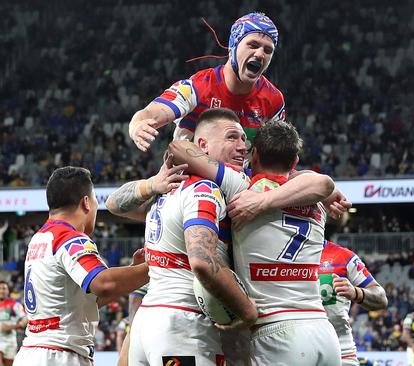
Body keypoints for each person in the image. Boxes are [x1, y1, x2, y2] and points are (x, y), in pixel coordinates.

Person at [108, 108, 335, 365]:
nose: (243, 147)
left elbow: (115, 203)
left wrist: (150, 184)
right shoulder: (206, 188)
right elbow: (202, 261)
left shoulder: (172, 187)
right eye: (232, 138)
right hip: (183, 323)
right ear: (202, 145)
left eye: (244, 140)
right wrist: (247, 311)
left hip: (150, 322)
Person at [13, 167, 149, 366]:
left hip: (33, 353)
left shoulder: (40, 238)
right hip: (59, 356)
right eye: (95, 201)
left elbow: (86, 301)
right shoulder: (69, 237)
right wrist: (159, 263)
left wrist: (132, 272)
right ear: (86, 202)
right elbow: (104, 284)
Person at [232, 120, 340, 365]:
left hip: (276, 329)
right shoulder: (318, 204)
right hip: (322, 330)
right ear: (294, 164)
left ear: (254, 155)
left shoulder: (242, 192)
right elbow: (322, 183)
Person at [129, 12, 284, 152]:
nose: (260, 54)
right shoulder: (197, 87)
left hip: (242, 180)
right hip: (190, 178)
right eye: (253, 45)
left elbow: (273, 157)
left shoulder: (273, 100)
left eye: (268, 50)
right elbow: (149, 113)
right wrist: (137, 125)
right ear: (233, 46)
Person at [318, 240, 388, 366]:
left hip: (341, 350)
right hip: (296, 349)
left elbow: (381, 298)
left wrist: (356, 292)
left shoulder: (343, 256)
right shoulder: (279, 257)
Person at [0, 281, 25, 366]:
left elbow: (25, 320)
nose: (1, 291)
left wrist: (11, 326)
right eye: (0, 288)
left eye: (4, 288)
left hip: (10, 342)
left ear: (8, 291)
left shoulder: (14, 305)